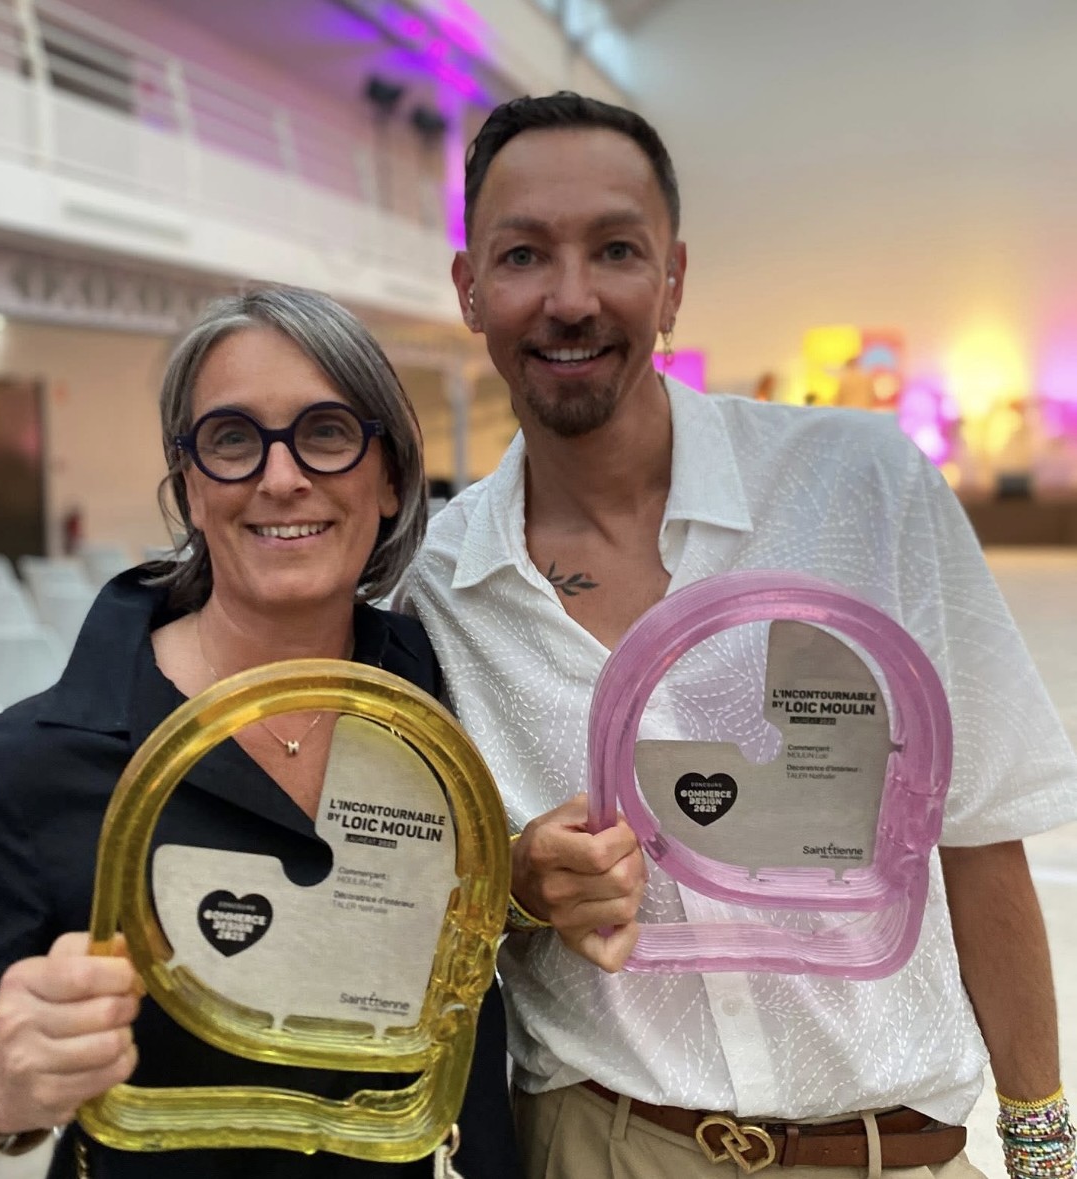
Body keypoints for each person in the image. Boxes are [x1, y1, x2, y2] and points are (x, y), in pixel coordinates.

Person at [397, 92, 1077, 1179]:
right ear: (470, 289)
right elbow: (430, 902)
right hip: (606, 1145)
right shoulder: (436, 589)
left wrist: (1046, 1149)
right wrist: (523, 887)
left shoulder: (863, 489)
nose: (571, 300)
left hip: (891, 1149)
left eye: (615, 249)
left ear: (671, 280)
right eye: (524, 255)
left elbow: (981, 830)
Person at [0, 286, 522, 1179]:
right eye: (233, 440)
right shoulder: (33, 765)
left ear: (391, 477)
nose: (282, 477)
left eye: (327, 430)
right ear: (190, 487)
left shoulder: (456, 697)